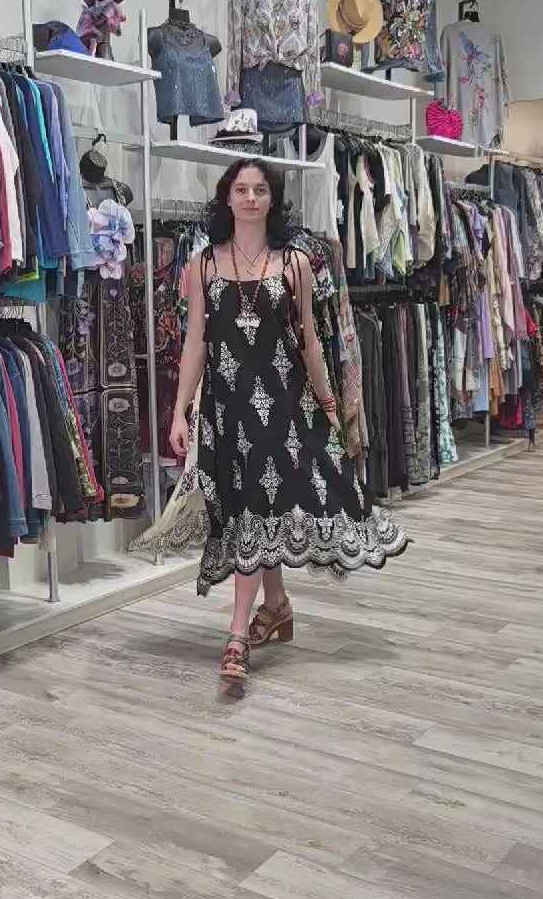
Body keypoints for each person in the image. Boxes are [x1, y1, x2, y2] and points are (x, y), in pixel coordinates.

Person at [169, 158, 408, 686]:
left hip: (285, 406)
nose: (250, 198)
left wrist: (331, 406)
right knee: (254, 506)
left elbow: (311, 342)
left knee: (261, 505)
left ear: (272, 199)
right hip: (227, 410)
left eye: (260, 189)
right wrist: (181, 410)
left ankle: (236, 635)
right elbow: (194, 344)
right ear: (227, 197)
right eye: (241, 189)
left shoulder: (295, 262)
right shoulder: (203, 264)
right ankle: (275, 606)